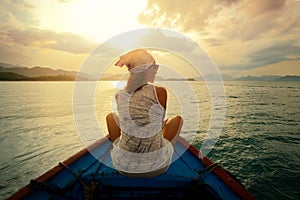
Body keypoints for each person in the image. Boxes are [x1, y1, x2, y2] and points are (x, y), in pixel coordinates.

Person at [106, 48, 183, 177]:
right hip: (157, 166)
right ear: (145, 69)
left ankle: (121, 149)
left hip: (123, 166)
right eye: (154, 66)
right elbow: (160, 122)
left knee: (110, 117)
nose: (157, 70)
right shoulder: (160, 92)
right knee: (177, 120)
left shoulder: (120, 95)